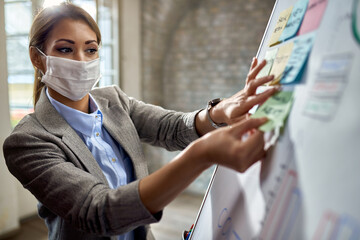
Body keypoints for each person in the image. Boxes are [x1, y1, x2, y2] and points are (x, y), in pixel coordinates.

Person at [2, 3, 278, 240]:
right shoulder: (27, 141)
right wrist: (201, 155)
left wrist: (217, 114)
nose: (81, 61)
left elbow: (170, 128)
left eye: (91, 49)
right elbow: (98, 211)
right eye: (65, 50)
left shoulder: (114, 100)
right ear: (37, 58)